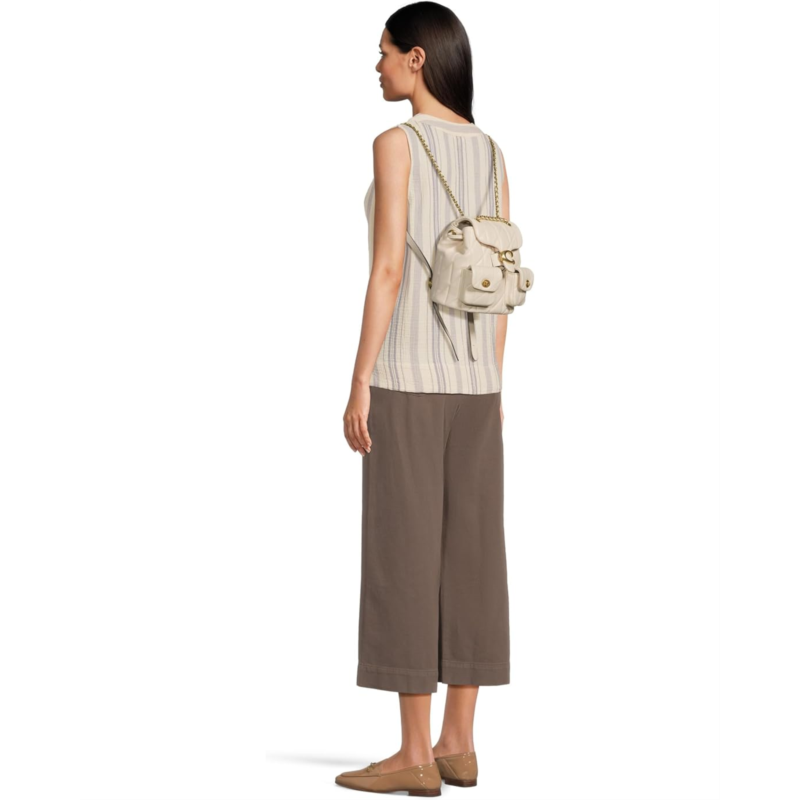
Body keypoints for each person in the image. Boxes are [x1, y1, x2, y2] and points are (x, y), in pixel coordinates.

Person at [338, 2, 512, 795]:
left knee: (404, 554)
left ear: (417, 58)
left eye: (383, 53)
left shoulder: (397, 143)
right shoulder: (493, 152)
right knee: (473, 554)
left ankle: (413, 755)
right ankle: (459, 744)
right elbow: (500, 286)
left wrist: (359, 378)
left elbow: (387, 269)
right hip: (478, 386)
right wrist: (494, 383)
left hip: (407, 376)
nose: (375, 66)